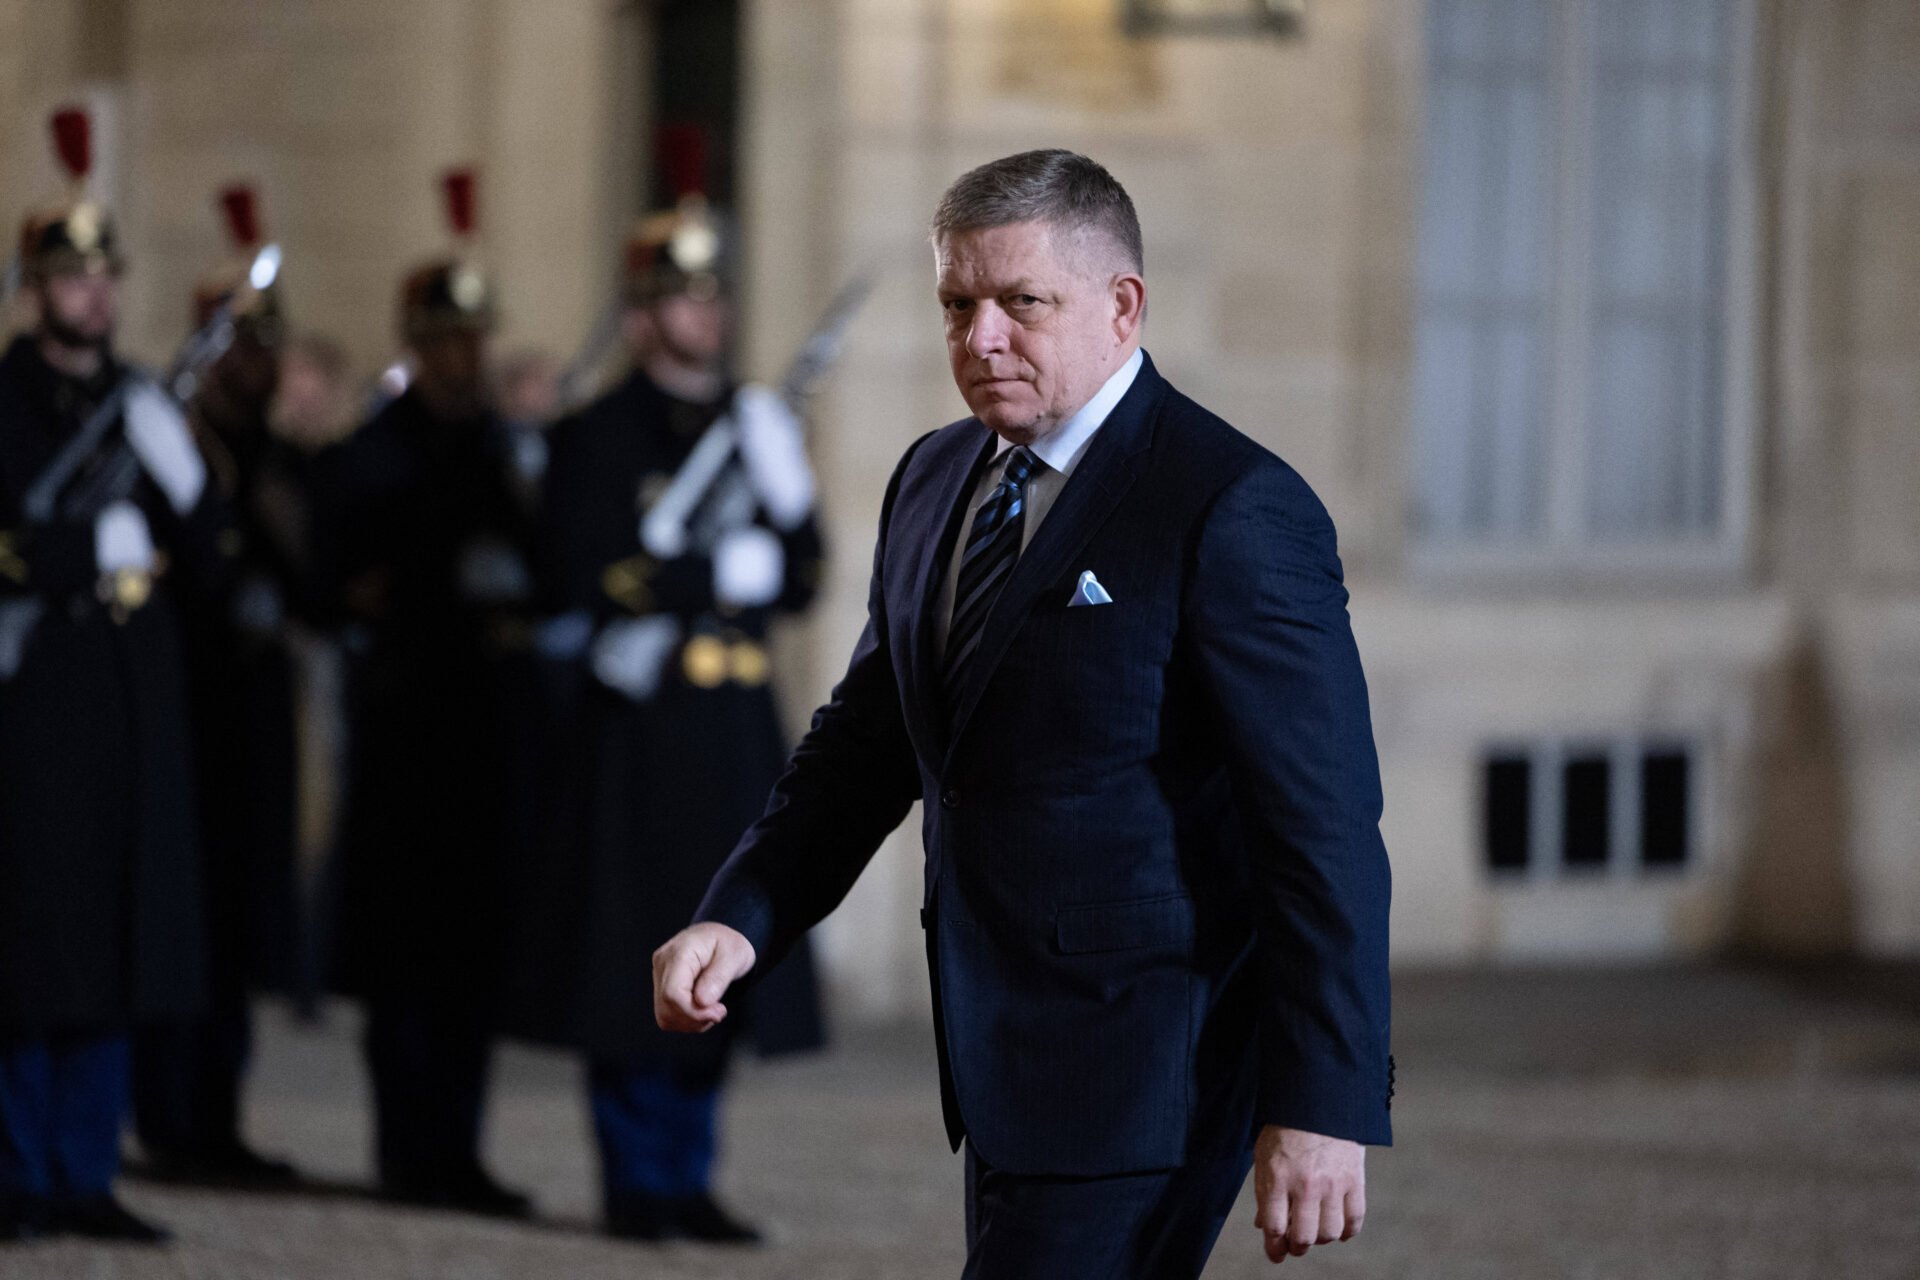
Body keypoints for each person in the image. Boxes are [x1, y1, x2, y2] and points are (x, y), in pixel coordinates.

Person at [653, 150, 1395, 1277]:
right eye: (957, 305)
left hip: (1152, 1061)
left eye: (1021, 303)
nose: (981, 338)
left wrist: (1323, 1102)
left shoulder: (1230, 504)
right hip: (1004, 1055)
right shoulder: (934, 477)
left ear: (1122, 306)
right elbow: (867, 742)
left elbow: (1323, 830)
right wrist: (743, 913)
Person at [502, 194, 826, 1244]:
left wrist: (783, 507)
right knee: (629, 947)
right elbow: (581, 571)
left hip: (733, 725)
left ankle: (689, 1171)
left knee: (725, 936)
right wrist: (713, 572)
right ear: (640, 316)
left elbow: (805, 572)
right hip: (640, 730)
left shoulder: (754, 424)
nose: (704, 313)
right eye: (680, 297)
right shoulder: (598, 434)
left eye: (713, 294)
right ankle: (635, 1174)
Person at [0, 107, 230, 1245]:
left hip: (132, 702)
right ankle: (15, 1172)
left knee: (118, 933)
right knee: (28, 940)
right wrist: (79, 547)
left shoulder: (141, 404)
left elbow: (214, 563)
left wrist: (193, 489)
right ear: (32, 289)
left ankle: (85, 1170)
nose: (90, 296)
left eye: (102, 278)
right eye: (68, 278)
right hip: (32, 704)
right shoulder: (3, 404)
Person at [308, 168, 530, 1217]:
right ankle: (407, 1149)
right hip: (404, 731)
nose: (464, 357)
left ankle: (462, 1147)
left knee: (472, 960)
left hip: (485, 730)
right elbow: (339, 581)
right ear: (417, 343)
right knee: (403, 959)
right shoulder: (373, 452)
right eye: (447, 340)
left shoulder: (500, 447)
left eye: (474, 340)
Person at [130, 183, 305, 1189]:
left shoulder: (279, 458)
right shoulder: (172, 445)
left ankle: (220, 1117)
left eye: (266, 347)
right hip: (184, 711)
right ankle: (171, 1119)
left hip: (255, 714)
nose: (257, 365)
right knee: (180, 920)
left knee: (240, 924)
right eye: (240, 346)